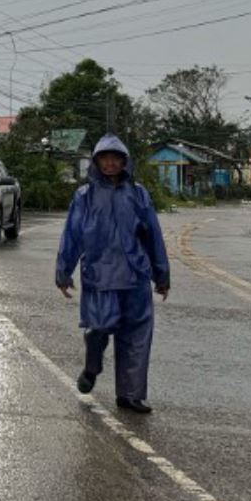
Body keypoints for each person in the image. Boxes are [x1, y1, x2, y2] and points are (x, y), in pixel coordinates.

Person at [55, 134, 170, 413]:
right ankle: (92, 365)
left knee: (136, 335)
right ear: (95, 162)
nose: (110, 163)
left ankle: (130, 395)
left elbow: (152, 234)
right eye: (104, 158)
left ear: (124, 162)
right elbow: (72, 234)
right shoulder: (85, 196)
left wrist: (161, 275)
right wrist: (63, 270)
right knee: (99, 328)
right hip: (99, 274)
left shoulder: (138, 194)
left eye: (115, 158)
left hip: (136, 276)